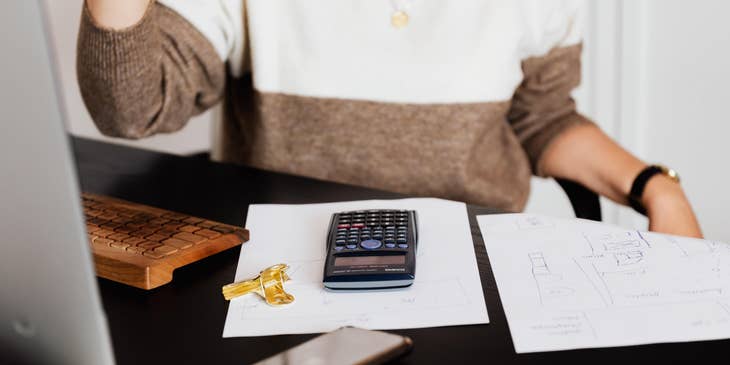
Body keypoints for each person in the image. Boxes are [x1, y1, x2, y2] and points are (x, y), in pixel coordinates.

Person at [77, 0, 702, 237]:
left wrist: (657, 187)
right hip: (281, 264)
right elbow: (134, 108)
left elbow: (541, 118)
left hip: (477, 256)